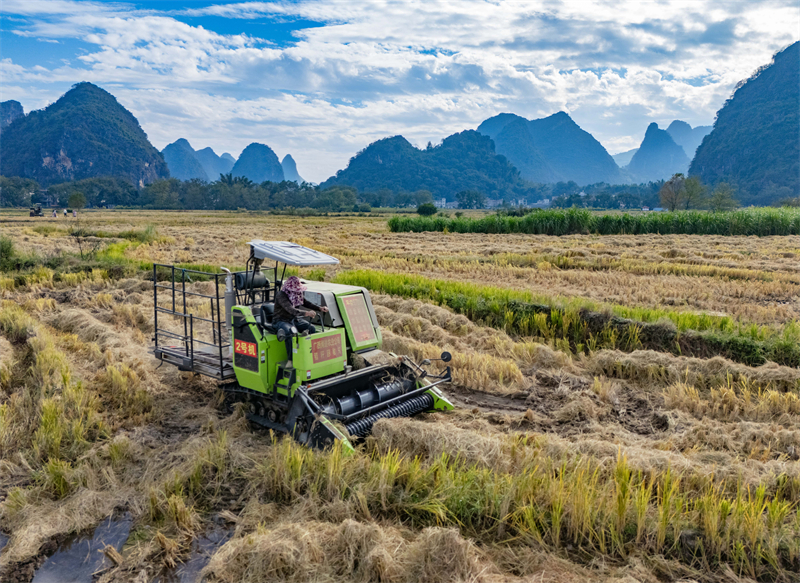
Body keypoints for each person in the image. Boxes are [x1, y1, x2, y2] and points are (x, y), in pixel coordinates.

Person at [273, 275, 328, 361]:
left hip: (294, 319)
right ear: (290, 288)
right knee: (290, 332)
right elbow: (291, 309)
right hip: (281, 320)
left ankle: (309, 354)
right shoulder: (281, 295)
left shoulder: (297, 294)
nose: (297, 292)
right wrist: (306, 313)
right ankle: (291, 360)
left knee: (311, 328)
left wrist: (319, 308)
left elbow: (305, 303)